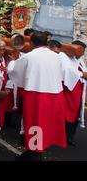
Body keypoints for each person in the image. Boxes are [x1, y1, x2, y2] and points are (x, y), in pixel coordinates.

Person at [7, 31, 67, 161]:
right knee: (46, 127)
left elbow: (15, 73)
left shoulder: (29, 57)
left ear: (32, 43)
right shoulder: (57, 56)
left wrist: (13, 62)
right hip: (55, 96)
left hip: (38, 97)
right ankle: (31, 153)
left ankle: (34, 155)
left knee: (35, 126)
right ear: (47, 42)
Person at [59, 40, 87, 146]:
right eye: (81, 50)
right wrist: (82, 74)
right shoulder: (63, 56)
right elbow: (67, 70)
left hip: (78, 91)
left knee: (75, 114)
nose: (82, 53)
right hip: (68, 91)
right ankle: (63, 136)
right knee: (67, 113)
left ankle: (70, 136)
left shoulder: (78, 59)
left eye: (83, 51)